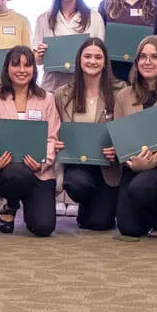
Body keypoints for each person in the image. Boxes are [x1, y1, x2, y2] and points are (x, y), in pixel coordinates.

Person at [0, 46, 61, 238]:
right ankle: (11, 205)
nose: (21, 70)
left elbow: (52, 137)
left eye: (27, 65)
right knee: (18, 175)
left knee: (43, 227)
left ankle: (25, 202)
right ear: (7, 68)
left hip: (39, 172)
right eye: (16, 65)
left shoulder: (47, 99)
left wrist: (43, 162)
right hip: (5, 172)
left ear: (34, 69)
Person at [114, 36, 157, 239]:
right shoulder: (124, 95)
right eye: (143, 57)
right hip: (133, 165)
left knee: (142, 187)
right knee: (129, 228)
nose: (147, 62)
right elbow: (119, 136)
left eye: (154, 57)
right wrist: (131, 161)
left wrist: (148, 163)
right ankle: (147, 212)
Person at [54, 37, 118, 232]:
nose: (92, 61)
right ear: (79, 59)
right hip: (77, 165)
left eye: (98, 57)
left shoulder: (120, 91)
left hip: (108, 167)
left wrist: (118, 148)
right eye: (87, 56)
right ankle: (86, 201)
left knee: (100, 224)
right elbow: (55, 128)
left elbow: (128, 130)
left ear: (105, 62)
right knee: (77, 184)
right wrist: (56, 142)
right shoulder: (62, 94)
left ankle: (92, 208)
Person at [34, 0, 104, 95]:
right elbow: (37, 60)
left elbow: (100, 55)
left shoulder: (94, 17)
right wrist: (40, 55)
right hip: (52, 88)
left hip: (84, 88)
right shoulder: (43, 19)